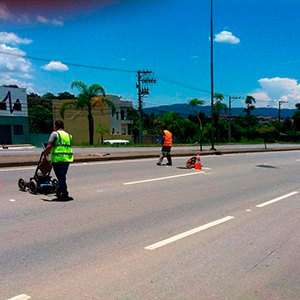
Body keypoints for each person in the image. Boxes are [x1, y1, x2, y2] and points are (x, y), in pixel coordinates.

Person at [43, 120, 73, 200]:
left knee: (61, 178)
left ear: (56, 127)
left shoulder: (55, 134)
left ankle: (64, 193)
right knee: (62, 177)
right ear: (63, 127)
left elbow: (49, 146)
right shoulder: (68, 135)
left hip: (58, 159)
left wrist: (45, 154)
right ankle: (59, 191)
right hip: (67, 159)